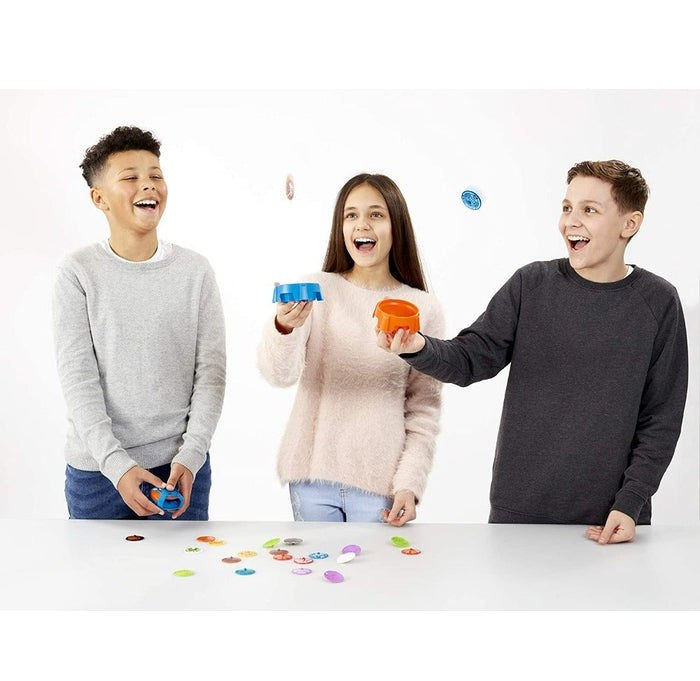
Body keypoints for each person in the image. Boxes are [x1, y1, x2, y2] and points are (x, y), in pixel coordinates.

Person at [379, 160, 688, 544]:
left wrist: (631, 503)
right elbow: (471, 359)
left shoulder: (658, 302)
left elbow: (661, 419)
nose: (571, 221)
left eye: (589, 210)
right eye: (567, 207)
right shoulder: (531, 284)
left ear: (630, 224)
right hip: (518, 513)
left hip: (611, 519)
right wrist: (418, 346)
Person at [52, 126, 226, 520]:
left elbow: (211, 373)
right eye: (130, 177)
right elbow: (79, 381)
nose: (148, 185)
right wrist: (118, 467)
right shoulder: (77, 272)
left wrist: (192, 455)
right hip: (98, 474)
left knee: (186, 563)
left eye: (155, 175)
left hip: (181, 471)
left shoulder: (195, 271)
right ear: (99, 198)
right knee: (100, 564)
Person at [257, 173, 444, 526]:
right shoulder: (317, 289)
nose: (362, 225)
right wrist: (284, 327)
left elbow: (424, 410)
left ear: (396, 224)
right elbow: (279, 375)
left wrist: (409, 483)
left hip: (380, 485)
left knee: (374, 565)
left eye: (376, 214)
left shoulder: (423, 308)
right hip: (311, 479)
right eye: (351, 215)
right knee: (315, 564)